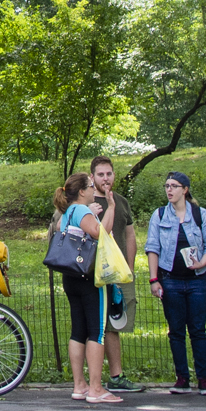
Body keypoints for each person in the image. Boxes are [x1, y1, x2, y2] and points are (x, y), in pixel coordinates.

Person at [143, 171, 206, 395]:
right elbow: (152, 248)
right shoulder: (159, 215)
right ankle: (182, 378)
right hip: (171, 281)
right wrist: (154, 279)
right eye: (167, 186)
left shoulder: (200, 214)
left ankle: (204, 380)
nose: (169, 190)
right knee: (175, 331)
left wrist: (201, 262)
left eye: (174, 186)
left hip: (198, 282)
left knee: (198, 330)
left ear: (185, 189)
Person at [53, 172, 115, 404]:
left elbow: (62, 228)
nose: (93, 189)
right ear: (81, 191)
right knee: (96, 330)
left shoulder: (67, 212)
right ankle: (96, 388)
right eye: (90, 186)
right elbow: (101, 234)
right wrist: (110, 208)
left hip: (71, 277)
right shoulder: (81, 209)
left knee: (78, 330)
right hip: (89, 276)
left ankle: (79, 385)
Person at [90, 155, 144, 393]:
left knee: (114, 325)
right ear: (92, 177)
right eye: (100, 174)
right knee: (94, 326)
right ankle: (91, 381)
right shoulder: (86, 202)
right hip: (93, 274)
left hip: (118, 274)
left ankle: (116, 376)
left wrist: (129, 268)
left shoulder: (121, 202)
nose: (105, 178)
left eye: (109, 174)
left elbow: (130, 235)